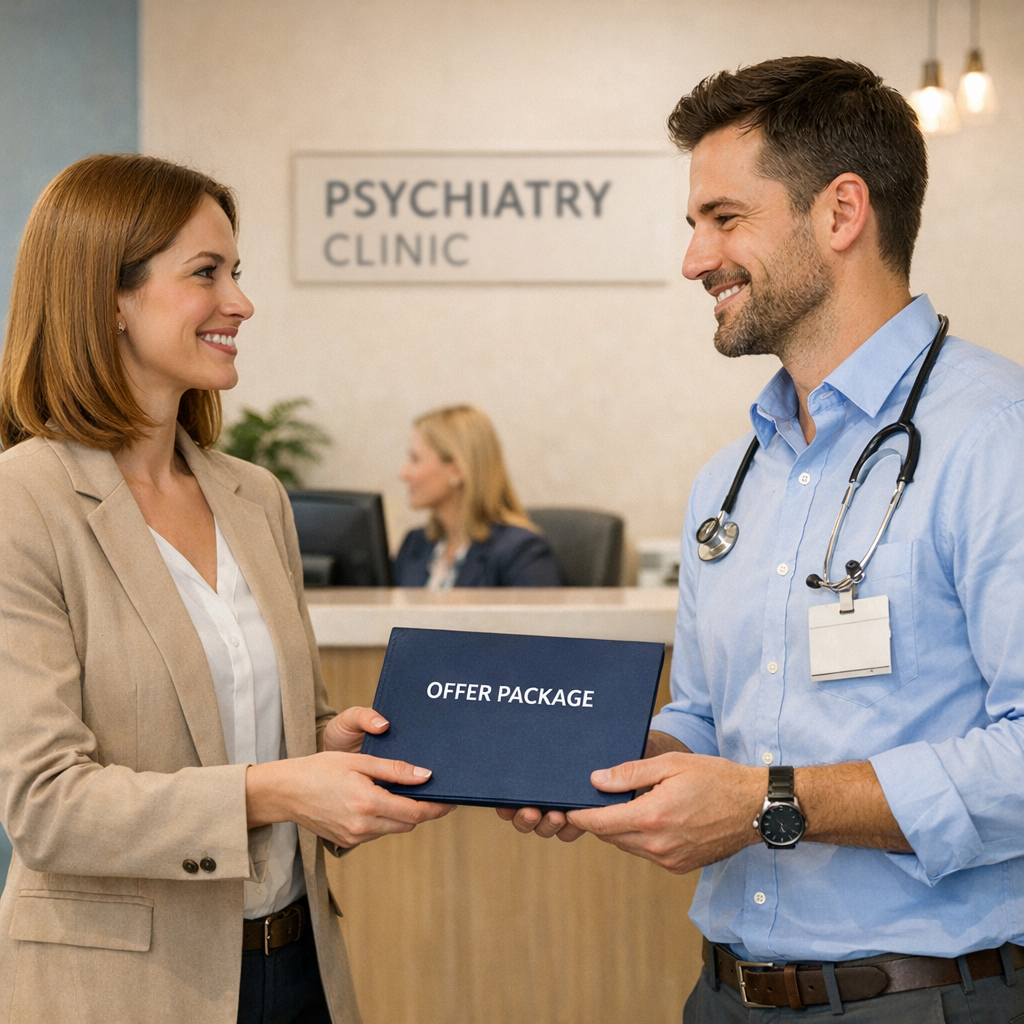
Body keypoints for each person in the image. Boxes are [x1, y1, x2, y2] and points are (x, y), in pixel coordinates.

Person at [501, 57, 1024, 1021]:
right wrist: (587, 767)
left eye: (725, 219)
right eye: (694, 226)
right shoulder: (733, 476)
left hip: (924, 998)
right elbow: (708, 722)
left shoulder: (998, 439)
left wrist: (767, 802)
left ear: (840, 213)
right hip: (726, 994)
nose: (695, 260)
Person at [0, 154, 453, 1024]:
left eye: (234, 273)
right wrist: (278, 788)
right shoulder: (25, 503)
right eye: (205, 273)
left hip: (297, 965)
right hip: (125, 991)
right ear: (109, 298)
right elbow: (47, 805)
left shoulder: (254, 497)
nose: (240, 302)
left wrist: (333, 741)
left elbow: (277, 722)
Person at [393, 404, 563, 587]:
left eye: (415, 460)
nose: (403, 473)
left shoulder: (521, 551)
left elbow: (534, 617)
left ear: (457, 471)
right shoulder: (414, 544)